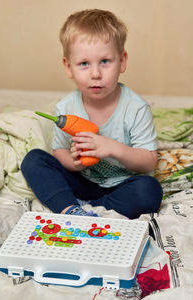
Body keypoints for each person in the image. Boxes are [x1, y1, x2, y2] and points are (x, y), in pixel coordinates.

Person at [21, 9, 163, 219]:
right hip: (82, 181)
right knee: (33, 160)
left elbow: (148, 161)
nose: (95, 74)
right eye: (84, 64)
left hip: (122, 186)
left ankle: (89, 207)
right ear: (68, 67)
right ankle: (70, 208)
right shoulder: (66, 106)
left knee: (149, 190)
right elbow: (59, 150)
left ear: (122, 62)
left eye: (105, 61)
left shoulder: (135, 108)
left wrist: (112, 148)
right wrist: (73, 162)